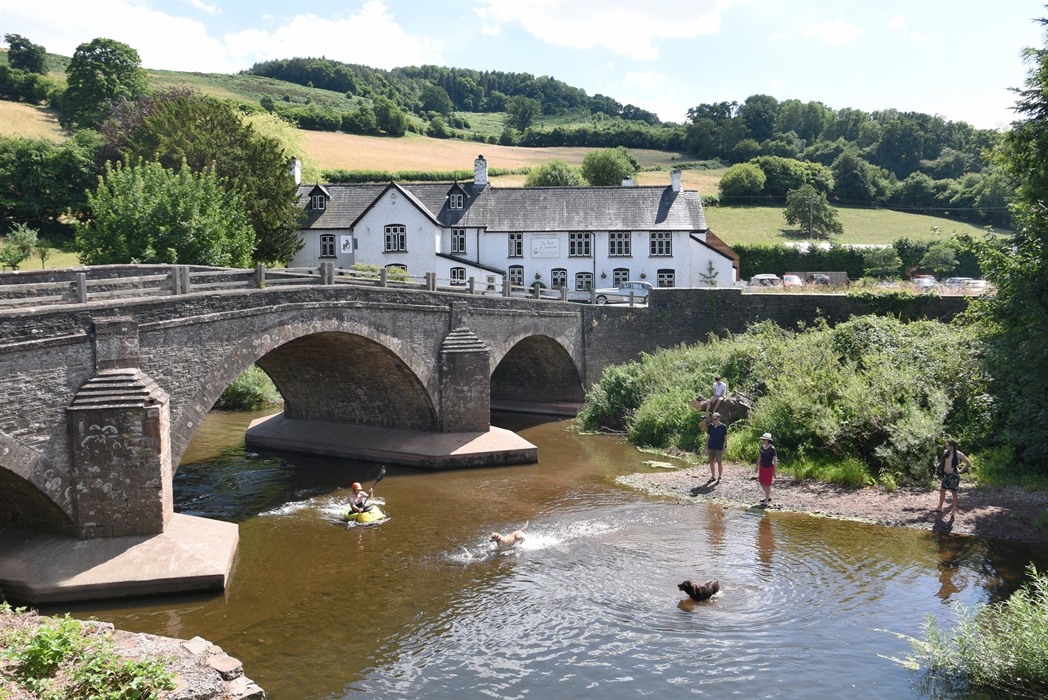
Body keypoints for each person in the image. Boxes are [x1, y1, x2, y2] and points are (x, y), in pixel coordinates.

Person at [934, 439, 971, 518]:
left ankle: (953, 509)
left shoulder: (958, 454)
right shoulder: (945, 452)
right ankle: (940, 507)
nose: (946, 447)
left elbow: (968, 463)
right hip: (946, 475)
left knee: (954, 492)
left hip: (953, 475)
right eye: (946, 445)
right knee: (942, 490)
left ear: (952, 446)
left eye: (948, 445)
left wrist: (961, 471)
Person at [756, 432, 777, 506]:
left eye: (764, 439)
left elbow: (775, 460)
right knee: (762, 482)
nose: (763, 441)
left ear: (768, 440)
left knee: (768, 484)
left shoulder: (772, 449)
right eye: (763, 439)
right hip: (762, 467)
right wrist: (757, 466)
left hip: (769, 468)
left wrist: (775, 472)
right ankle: (768, 496)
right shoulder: (762, 447)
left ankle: (766, 500)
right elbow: (760, 457)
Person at [706, 412, 728, 481]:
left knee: (719, 462)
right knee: (711, 461)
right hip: (711, 446)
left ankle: (720, 477)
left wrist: (725, 446)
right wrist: (706, 445)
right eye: (713, 419)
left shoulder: (723, 426)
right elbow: (708, 436)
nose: (713, 420)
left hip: (719, 447)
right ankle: (713, 476)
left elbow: (725, 437)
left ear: (719, 418)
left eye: (715, 419)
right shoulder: (710, 426)